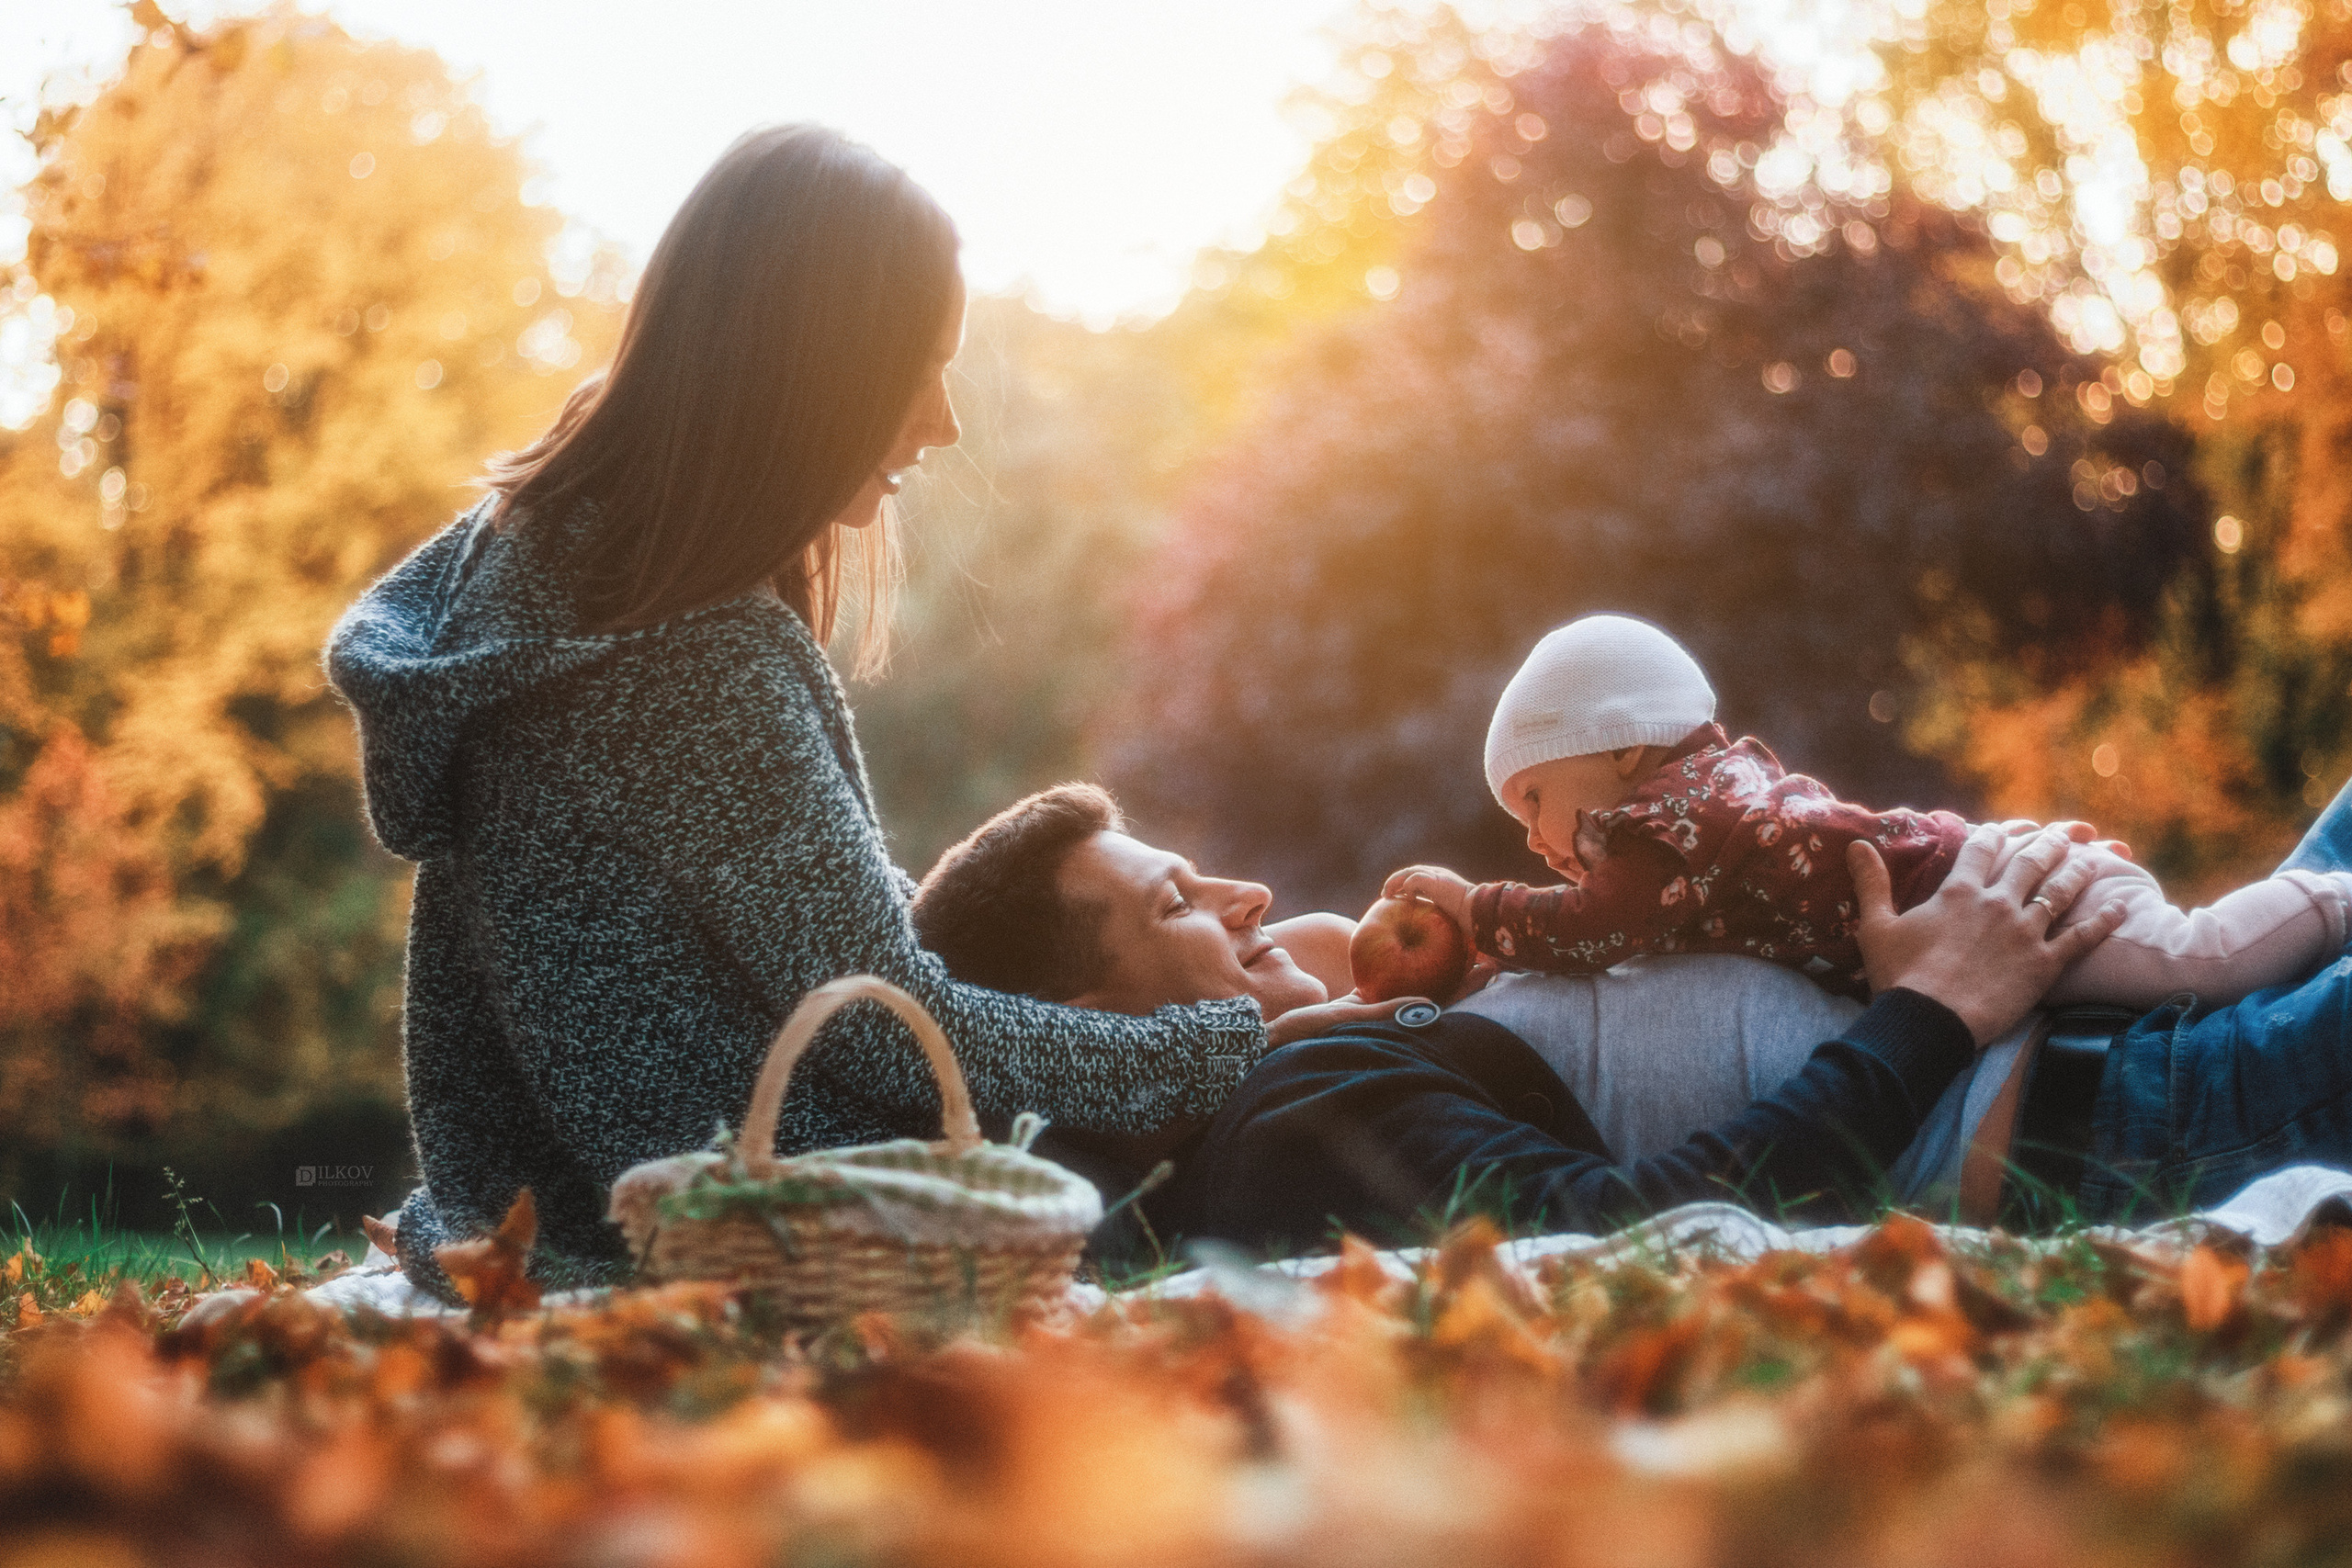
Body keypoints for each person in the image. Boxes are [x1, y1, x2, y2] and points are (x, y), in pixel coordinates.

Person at [325, 128, 1310, 1303]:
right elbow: (887, 1026)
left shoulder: (552, 561)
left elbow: (818, 939)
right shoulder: (687, 651)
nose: (941, 422)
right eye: (915, 367)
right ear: (811, 367)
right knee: (1287, 1111)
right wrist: (1212, 1044)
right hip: (719, 1206)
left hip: (548, 1191)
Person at [912, 784, 2130, 1252]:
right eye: (1175, 899)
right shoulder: (1293, 1122)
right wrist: (1938, 1006)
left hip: (2059, 1016)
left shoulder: (1340, 1026)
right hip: (2080, 1104)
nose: (1249, 891)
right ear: (1091, 1023)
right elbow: (1627, 1235)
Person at [1387, 614, 2351, 1010]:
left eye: (1533, 796)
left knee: (2202, 959)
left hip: (2014, 896)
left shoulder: (1673, 827)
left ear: (1621, 748)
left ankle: (2334, 906)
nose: (1528, 833)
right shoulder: (1706, 801)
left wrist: (1476, 912)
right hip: (1985, 889)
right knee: (2211, 979)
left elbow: (1596, 929)